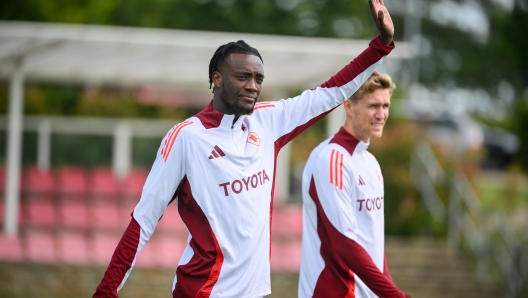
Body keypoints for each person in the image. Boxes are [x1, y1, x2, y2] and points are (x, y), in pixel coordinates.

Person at [93, 0, 395, 297]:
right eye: (243, 76)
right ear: (217, 78)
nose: (253, 85)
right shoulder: (186, 137)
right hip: (203, 292)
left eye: (258, 78)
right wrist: (107, 290)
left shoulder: (268, 122)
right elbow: (143, 219)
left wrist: (380, 45)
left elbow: (330, 92)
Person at [298, 71, 411, 298]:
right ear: (348, 106)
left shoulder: (370, 162)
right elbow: (344, 243)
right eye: (373, 106)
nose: (381, 114)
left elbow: (374, 243)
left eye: (386, 106)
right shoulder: (331, 159)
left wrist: (388, 292)